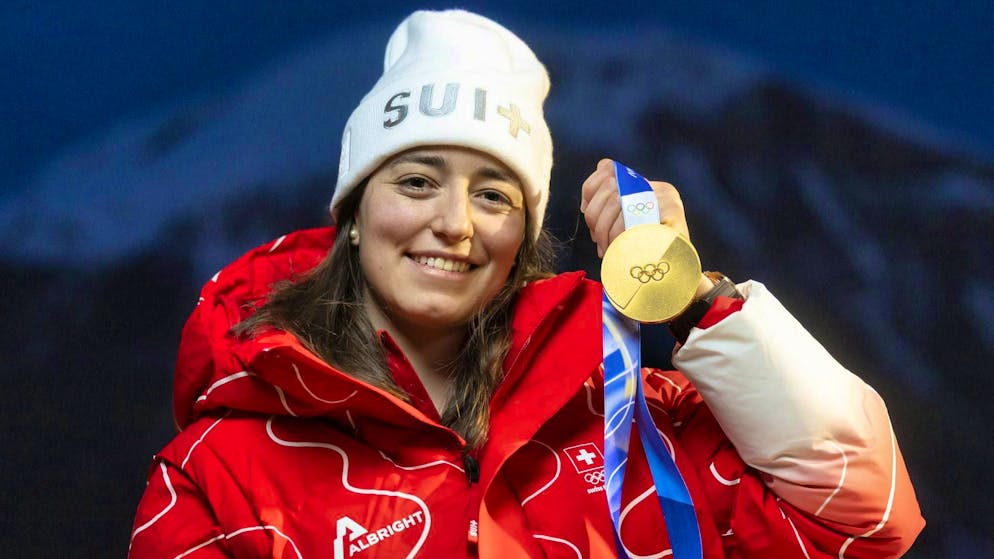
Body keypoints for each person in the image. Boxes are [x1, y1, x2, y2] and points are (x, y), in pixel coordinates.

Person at [128, 9, 924, 559]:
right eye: (414, 181)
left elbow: (863, 517)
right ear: (353, 213)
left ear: (524, 240)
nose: (455, 223)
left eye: (493, 195)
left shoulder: (638, 427)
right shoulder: (217, 471)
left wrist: (690, 298)